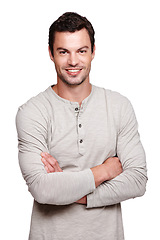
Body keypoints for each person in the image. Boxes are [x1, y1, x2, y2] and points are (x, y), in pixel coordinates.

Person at [16, 12, 147, 240]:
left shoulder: (119, 106)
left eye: (81, 51)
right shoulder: (32, 112)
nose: (73, 61)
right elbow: (42, 188)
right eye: (63, 51)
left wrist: (69, 191)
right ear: (50, 53)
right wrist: (104, 171)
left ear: (93, 52)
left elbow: (136, 181)